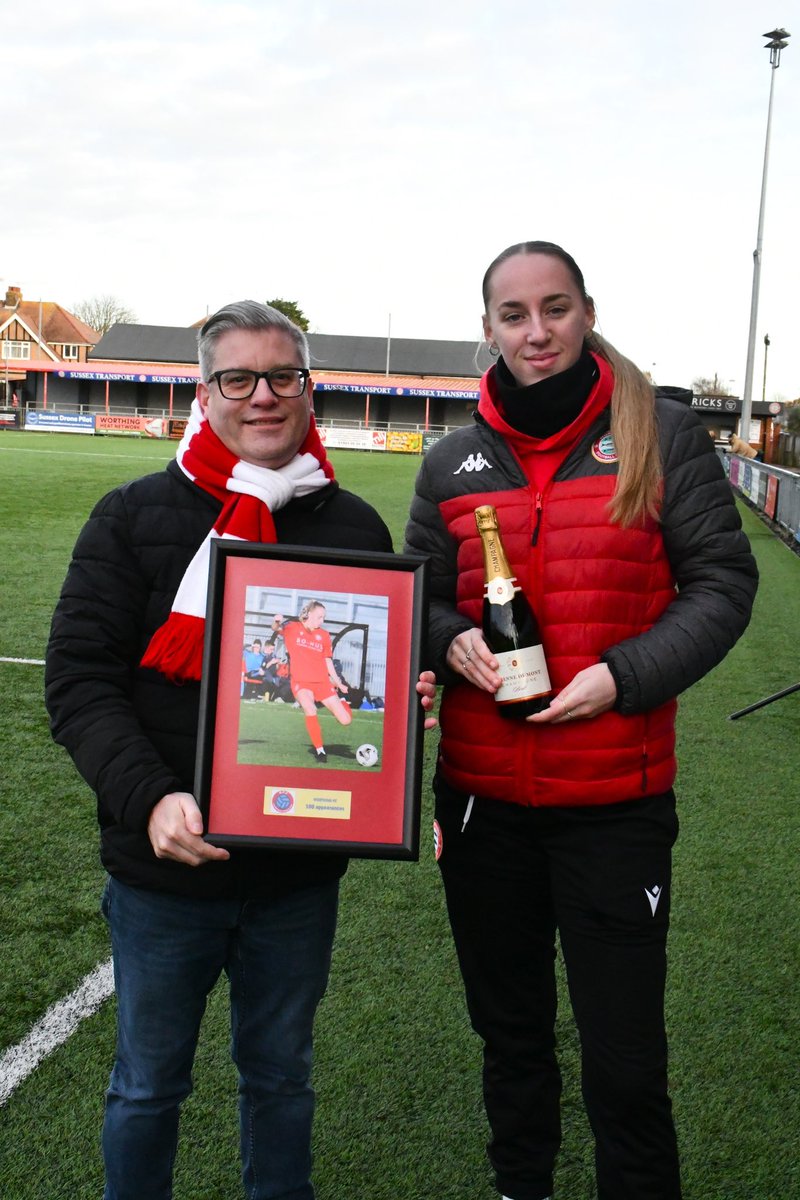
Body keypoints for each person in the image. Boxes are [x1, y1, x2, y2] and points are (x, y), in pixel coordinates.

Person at [45, 299, 436, 1200]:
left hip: (294, 881)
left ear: (309, 388)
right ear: (205, 390)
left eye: (282, 376)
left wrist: (398, 707)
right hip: (163, 874)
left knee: (283, 1081)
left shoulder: (352, 529)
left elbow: (372, 682)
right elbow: (77, 683)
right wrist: (150, 798)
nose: (262, 396)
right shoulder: (133, 514)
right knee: (146, 1088)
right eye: (238, 378)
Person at [404, 242, 758, 1200]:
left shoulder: (661, 435)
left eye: (553, 308)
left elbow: (724, 586)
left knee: (626, 1063)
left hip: (615, 800)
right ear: (487, 329)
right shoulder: (449, 462)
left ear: (587, 312)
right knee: (510, 1042)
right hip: (482, 803)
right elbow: (420, 600)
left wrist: (624, 676)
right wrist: (449, 642)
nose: (535, 330)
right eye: (513, 314)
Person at [280, 600, 351, 761]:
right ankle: (320, 751)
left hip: (322, 683)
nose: (322, 621)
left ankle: (343, 699)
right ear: (309, 614)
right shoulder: (293, 628)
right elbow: (277, 629)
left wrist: (338, 682)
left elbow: (328, 660)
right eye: (320, 617)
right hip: (301, 682)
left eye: (324, 617)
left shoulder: (324, 635)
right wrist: (276, 622)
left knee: (346, 720)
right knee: (310, 708)